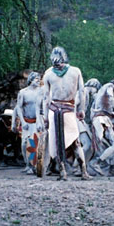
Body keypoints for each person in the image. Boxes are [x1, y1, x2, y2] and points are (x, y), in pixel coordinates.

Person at [42, 46, 90, 181]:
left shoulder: (49, 73)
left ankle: (65, 172)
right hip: (67, 109)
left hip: (55, 109)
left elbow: (46, 97)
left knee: (59, 141)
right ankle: (82, 172)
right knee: (74, 141)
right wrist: (82, 110)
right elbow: (82, 91)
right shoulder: (75, 71)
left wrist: (45, 117)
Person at [90, 77, 114, 176]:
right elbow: (111, 97)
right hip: (101, 120)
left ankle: (111, 168)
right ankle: (97, 163)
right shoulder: (109, 86)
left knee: (109, 146)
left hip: (100, 119)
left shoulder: (101, 91)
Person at [15, 72, 43, 174]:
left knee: (35, 143)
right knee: (24, 144)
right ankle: (27, 164)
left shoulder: (41, 92)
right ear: (30, 80)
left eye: (39, 79)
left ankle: (34, 165)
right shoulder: (23, 92)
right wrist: (22, 121)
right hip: (27, 121)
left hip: (38, 122)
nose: (38, 81)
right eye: (36, 79)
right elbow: (19, 107)